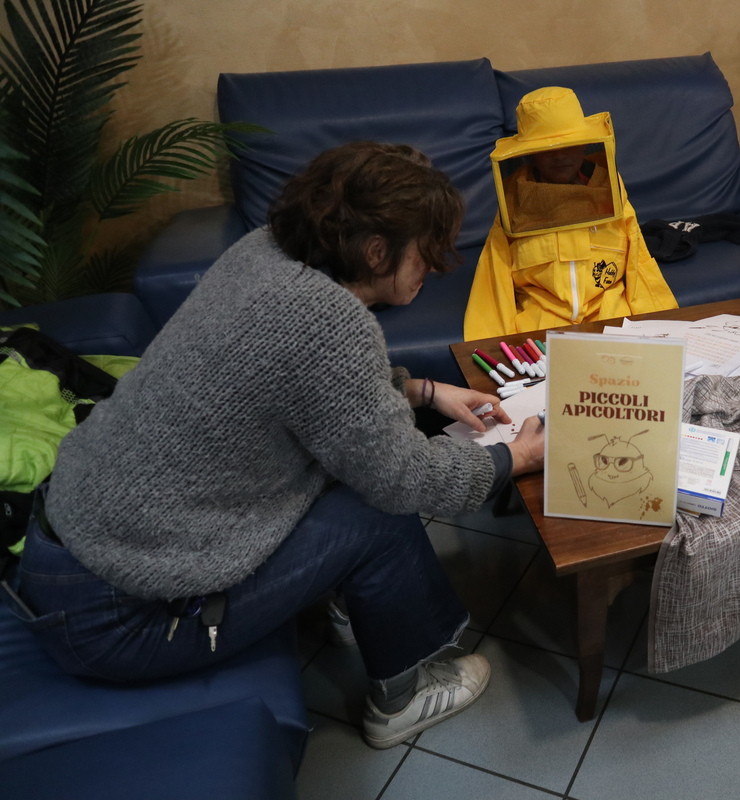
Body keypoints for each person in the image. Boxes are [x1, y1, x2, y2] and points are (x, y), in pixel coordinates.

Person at [9, 141, 545, 749]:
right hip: (119, 619)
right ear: (377, 251)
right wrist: (514, 457)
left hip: (61, 560)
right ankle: (402, 698)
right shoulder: (330, 322)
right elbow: (406, 479)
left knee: (352, 462)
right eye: (427, 251)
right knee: (379, 505)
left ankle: (355, 600)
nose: (435, 268)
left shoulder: (262, 251)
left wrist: (423, 390)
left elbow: (307, 387)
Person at [463, 86, 677, 339]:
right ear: (530, 155)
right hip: (541, 324)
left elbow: (638, 263)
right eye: (547, 149)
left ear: (584, 145)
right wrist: (493, 345)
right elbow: (493, 278)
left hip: (610, 315)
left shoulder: (609, 192)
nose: (560, 156)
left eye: (569, 145)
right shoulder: (515, 204)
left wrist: (662, 330)